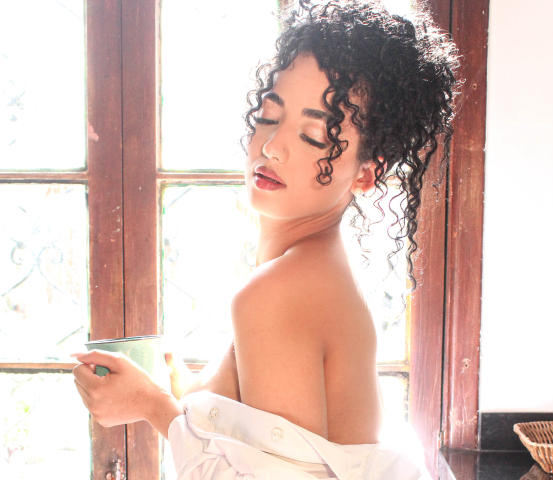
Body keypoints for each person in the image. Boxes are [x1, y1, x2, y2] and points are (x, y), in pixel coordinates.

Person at [72, 1, 458, 478]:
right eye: (270, 115)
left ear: (366, 174)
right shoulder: (313, 267)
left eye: (314, 136)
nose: (272, 146)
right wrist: (180, 391)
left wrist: (153, 407)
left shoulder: (280, 290)